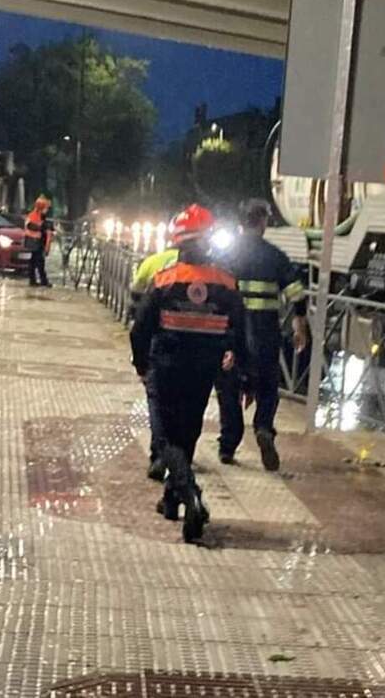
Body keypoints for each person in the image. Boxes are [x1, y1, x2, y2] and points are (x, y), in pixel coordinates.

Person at [130, 204, 247, 542]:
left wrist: (141, 364)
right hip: (204, 370)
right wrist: (237, 361)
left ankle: (190, 494)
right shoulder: (226, 283)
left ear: (178, 243)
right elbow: (240, 330)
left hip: (166, 367)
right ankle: (171, 500)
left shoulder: (165, 280)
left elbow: (140, 329)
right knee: (189, 432)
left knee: (166, 438)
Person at [214, 199, 308, 471]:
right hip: (265, 332)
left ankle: (228, 445)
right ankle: (264, 428)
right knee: (267, 387)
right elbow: (296, 293)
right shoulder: (275, 256)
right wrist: (299, 324)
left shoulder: (226, 256)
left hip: (231, 333)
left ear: (241, 222)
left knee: (228, 389)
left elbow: (215, 293)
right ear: (263, 222)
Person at [129, 235, 180, 482]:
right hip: (197, 349)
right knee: (186, 406)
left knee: (158, 399)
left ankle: (161, 453)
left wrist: (140, 364)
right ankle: (178, 459)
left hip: (158, 339)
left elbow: (136, 294)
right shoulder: (208, 270)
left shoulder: (153, 263)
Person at [24, 195, 54, 287]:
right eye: (46, 208)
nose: (47, 210)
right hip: (35, 242)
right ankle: (43, 281)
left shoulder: (41, 216)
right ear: (41, 207)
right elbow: (30, 226)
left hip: (36, 242)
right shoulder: (34, 216)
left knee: (34, 262)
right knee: (39, 262)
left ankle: (33, 280)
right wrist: (43, 228)